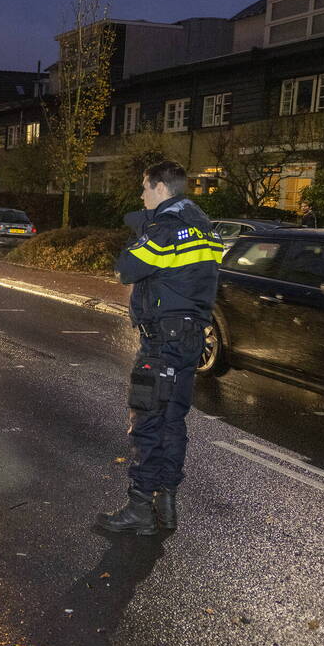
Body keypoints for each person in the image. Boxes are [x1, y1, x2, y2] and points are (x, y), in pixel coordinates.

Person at [96, 160, 221, 535]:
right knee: (173, 422)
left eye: (145, 188)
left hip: (161, 343)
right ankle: (166, 504)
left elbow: (126, 268)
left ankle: (139, 507)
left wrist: (143, 229)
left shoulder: (164, 229)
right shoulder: (205, 227)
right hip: (191, 339)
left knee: (148, 421)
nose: (141, 194)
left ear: (161, 189)